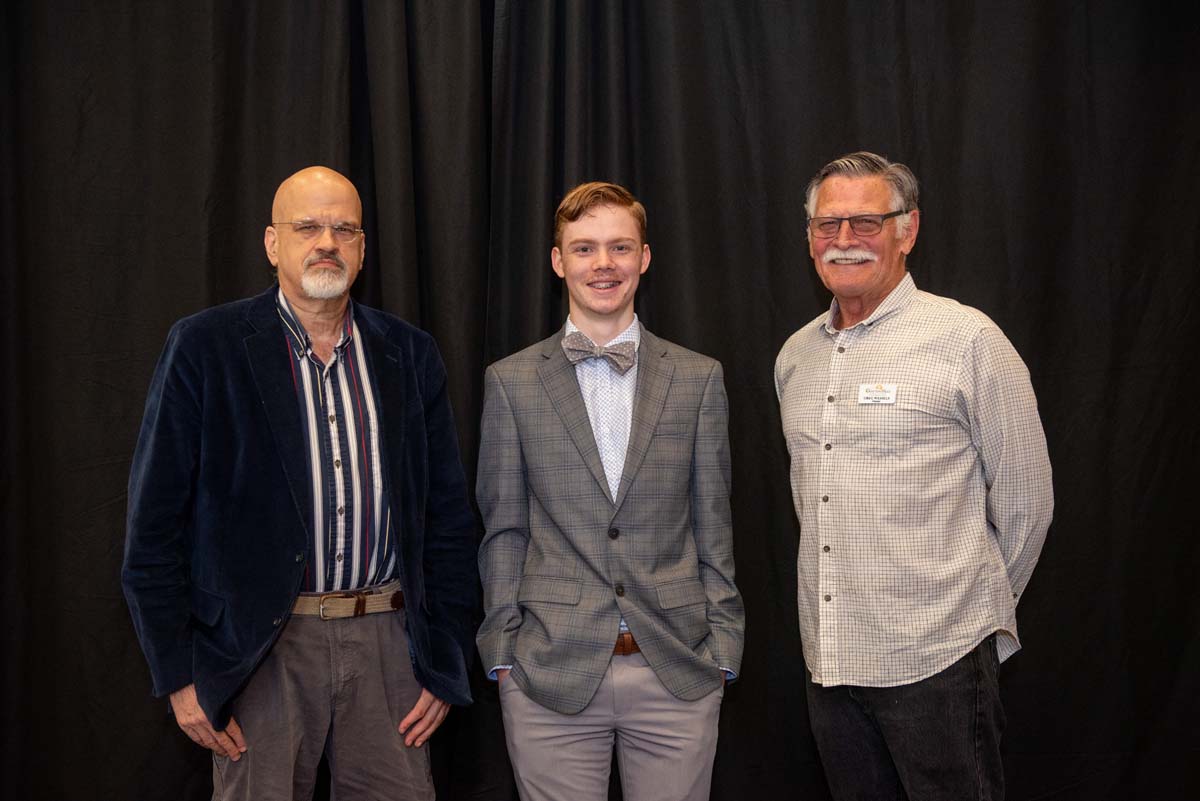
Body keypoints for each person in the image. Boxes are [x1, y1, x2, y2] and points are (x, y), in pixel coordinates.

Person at [121, 166, 477, 800]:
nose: (327, 242)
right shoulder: (206, 347)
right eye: (308, 226)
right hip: (260, 652)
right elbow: (153, 530)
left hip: (389, 646)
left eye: (344, 228)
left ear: (363, 248)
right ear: (271, 243)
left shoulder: (408, 353)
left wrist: (443, 660)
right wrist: (179, 675)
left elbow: (447, 519)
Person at [775, 151, 1053, 800]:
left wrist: (966, 623)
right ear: (809, 237)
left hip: (939, 666)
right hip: (831, 664)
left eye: (867, 221)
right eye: (827, 225)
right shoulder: (796, 357)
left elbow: (1027, 504)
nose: (844, 241)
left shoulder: (967, 340)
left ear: (910, 229)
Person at [476, 181, 745, 801]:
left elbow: (714, 523)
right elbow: (504, 529)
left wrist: (724, 644)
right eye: (585, 248)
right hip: (548, 672)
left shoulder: (699, 378)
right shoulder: (511, 382)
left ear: (644, 258)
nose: (603, 264)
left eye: (619, 247)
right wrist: (502, 650)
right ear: (558, 261)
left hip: (678, 666)